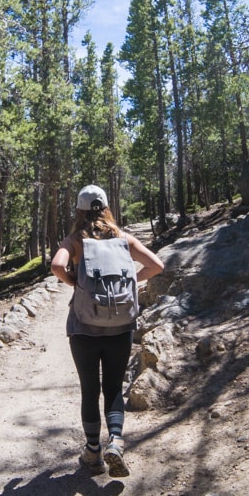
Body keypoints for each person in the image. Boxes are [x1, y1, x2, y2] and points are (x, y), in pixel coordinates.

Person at [51, 185, 164, 478]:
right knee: (113, 388)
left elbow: (56, 266)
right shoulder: (123, 239)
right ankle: (115, 440)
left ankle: (92, 451)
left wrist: (76, 284)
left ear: (80, 210)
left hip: (84, 328)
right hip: (120, 326)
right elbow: (157, 265)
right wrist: (132, 283)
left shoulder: (75, 240)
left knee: (90, 389)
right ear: (106, 208)